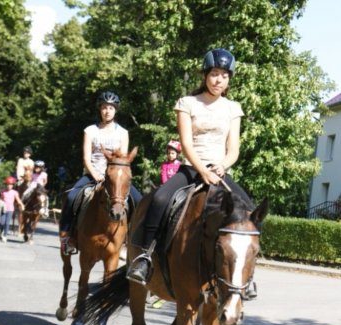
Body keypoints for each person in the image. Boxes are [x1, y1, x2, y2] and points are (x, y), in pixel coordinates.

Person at [127, 47, 245, 285]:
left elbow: (234, 149)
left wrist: (222, 165)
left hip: (219, 171)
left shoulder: (233, 108)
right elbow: (186, 143)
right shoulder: (188, 103)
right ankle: (144, 257)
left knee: (248, 209)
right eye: (214, 74)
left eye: (224, 75)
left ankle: (245, 270)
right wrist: (202, 170)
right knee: (159, 199)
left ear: (229, 78)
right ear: (205, 75)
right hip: (192, 169)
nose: (218, 79)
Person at [59, 90, 142, 255]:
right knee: (70, 196)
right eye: (104, 107)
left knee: (139, 201)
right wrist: (95, 175)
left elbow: (123, 161)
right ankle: (67, 237)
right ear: (100, 109)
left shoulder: (123, 133)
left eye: (110, 108)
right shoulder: (90, 130)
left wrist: (112, 177)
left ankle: (132, 240)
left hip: (115, 178)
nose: (107, 111)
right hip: (93, 174)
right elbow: (86, 158)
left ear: (116, 110)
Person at [0, 176, 25, 242]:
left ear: (13, 185)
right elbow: (1, 200)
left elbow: (18, 200)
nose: (9, 186)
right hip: (3, 209)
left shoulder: (15, 192)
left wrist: (22, 205)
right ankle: (1, 233)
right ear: (6, 185)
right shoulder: (3, 192)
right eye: (8, 184)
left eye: (10, 185)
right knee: (2, 223)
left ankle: (5, 236)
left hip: (10, 210)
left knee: (7, 223)